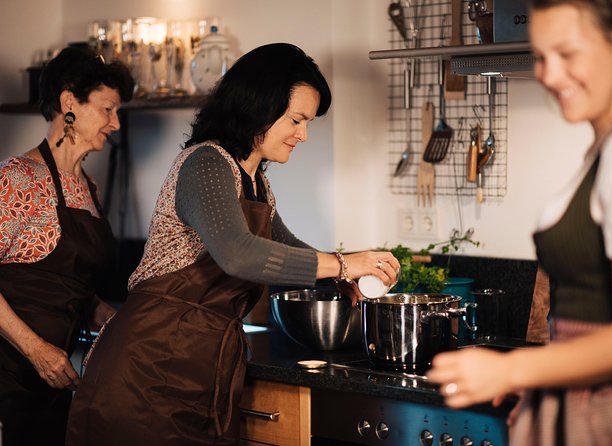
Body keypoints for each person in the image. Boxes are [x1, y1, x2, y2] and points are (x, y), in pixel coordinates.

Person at [65, 42, 400, 445]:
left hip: (203, 364)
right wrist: (345, 264)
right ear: (258, 105)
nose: (304, 134)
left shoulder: (254, 181)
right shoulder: (206, 163)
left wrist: (337, 278)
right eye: (296, 119)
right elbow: (239, 253)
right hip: (147, 363)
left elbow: (285, 245)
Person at [426, 0, 612, 444]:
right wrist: (543, 384)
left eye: (568, 53)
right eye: (540, 56)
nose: (549, 74)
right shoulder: (609, 151)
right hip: (585, 405)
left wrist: (512, 367)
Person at [0, 46, 134, 446]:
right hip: (9, 377)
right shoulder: (16, 179)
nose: (116, 124)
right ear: (69, 103)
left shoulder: (86, 188)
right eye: (108, 109)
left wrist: (113, 320)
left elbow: (68, 283)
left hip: (53, 377)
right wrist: (37, 350)